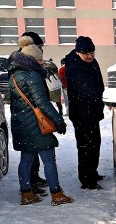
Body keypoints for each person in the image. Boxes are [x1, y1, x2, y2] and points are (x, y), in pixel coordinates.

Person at [8, 36, 73, 206]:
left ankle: (26, 193)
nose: (42, 63)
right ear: (32, 61)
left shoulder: (14, 74)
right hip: (36, 124)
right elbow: (42, 102)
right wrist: (58, 120)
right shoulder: (32, 75)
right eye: (39, 60)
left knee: (26, 159)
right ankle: (56, 193)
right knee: (49, 159)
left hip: (21, 122)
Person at [64, 36, 105, 190]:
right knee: (86, 146)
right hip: (82, 113)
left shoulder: (91, 62)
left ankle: (93, 172)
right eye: (86, 54)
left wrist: (101, 99)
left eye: (92, 53)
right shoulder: (74, 66)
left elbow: (99, 83)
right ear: (78, 52)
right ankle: (86, 179)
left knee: (95, 143)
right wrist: (100, 97)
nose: (90, 56)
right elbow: (86, 89)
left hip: (92, 111)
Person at [11, 31, 48, 193]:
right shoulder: (23, 67)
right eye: (39, 47)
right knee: (29, 155)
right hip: (29, 115)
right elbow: (32, 94)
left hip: (29, 114)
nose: (41, 50)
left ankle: (33, 180)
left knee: (31, 154)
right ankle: (28, 187)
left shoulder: (24, 63)